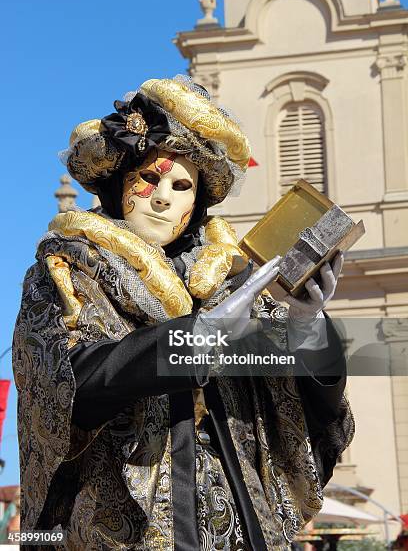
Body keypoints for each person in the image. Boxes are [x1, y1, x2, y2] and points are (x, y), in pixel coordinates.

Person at [13, 75, 354, 550]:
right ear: (118, 184)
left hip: (240, 528)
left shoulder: (229, 280)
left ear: (197, 203)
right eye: (149, 178)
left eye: (180, 185)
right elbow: (66, 383)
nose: (162, 197)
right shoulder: (68, 269)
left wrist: (306, 328)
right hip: (124, 530)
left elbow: (300, 409)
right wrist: (194, 340)